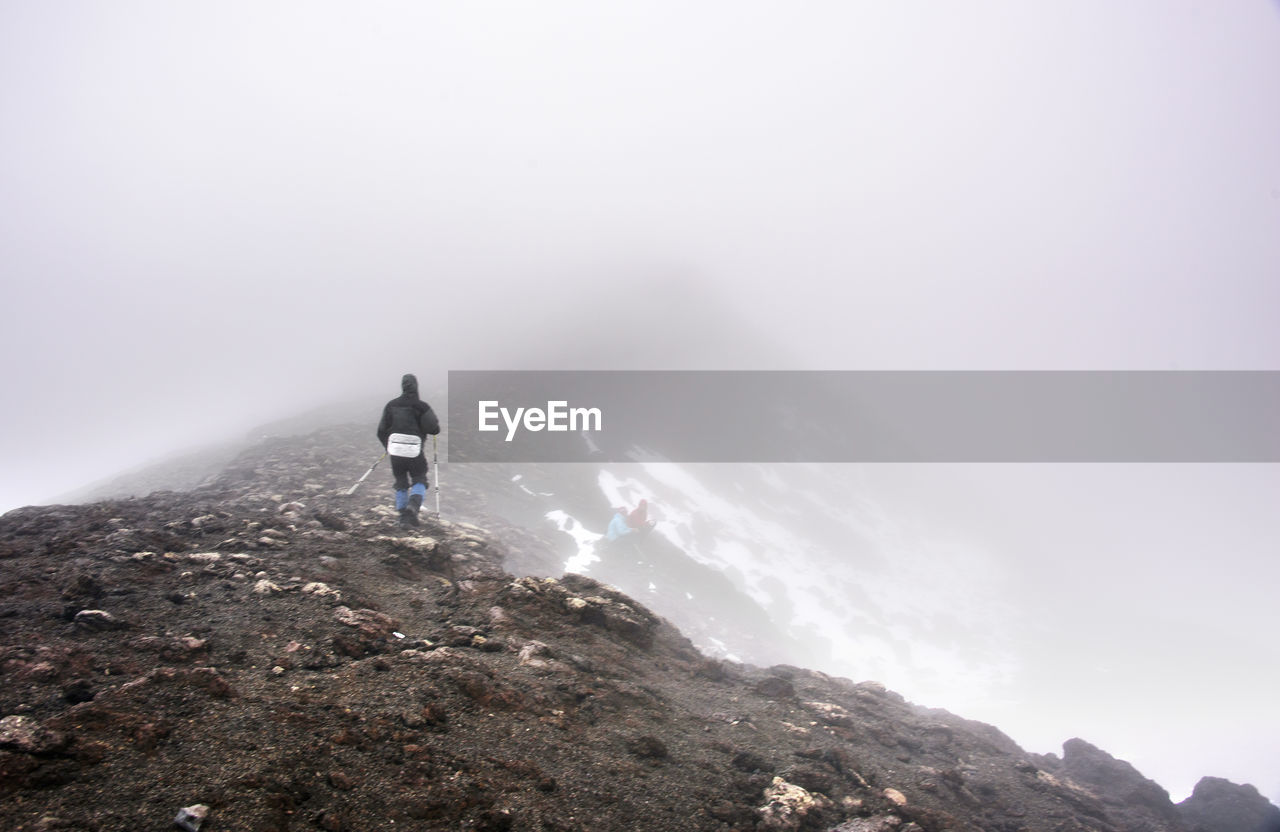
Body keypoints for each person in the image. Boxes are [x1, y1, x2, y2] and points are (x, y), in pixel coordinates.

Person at [376, 374, 441, 527]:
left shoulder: (391, 405)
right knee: (419, 478)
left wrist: (389, 446)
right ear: (416, 386)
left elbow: (381, 430)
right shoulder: (421, 406)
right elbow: (433, 428)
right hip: (414, 451)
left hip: (396, 451)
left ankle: (402, 516)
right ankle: (413, 507)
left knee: (401, 482)